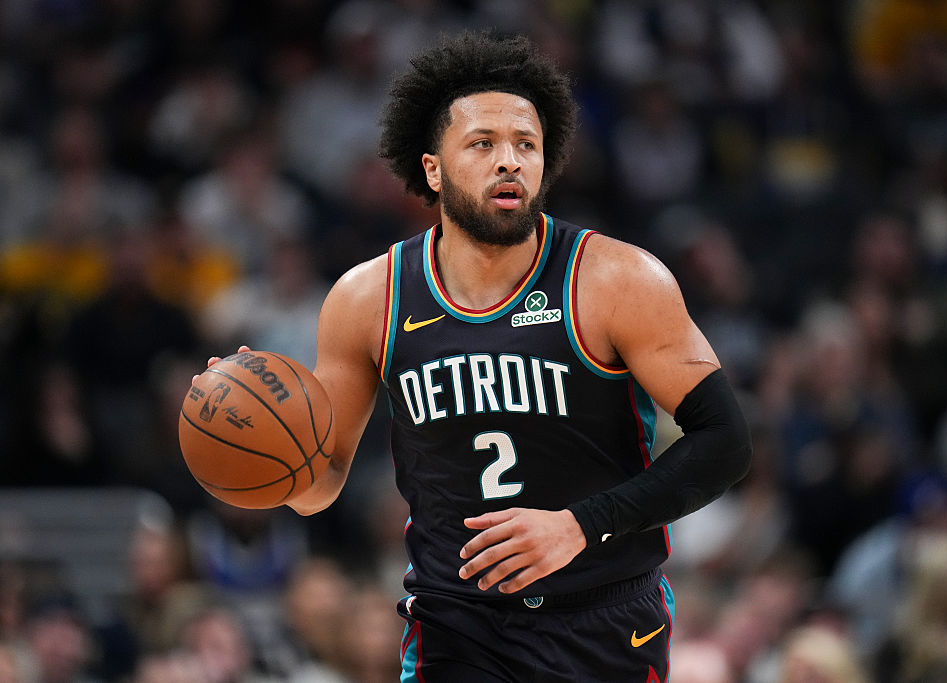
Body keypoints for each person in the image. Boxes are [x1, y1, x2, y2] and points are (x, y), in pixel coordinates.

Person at [200, 31, 751, 682]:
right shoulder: (367, 298)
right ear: (433, 169)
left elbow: (725, 442)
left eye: (526, 144)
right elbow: (319, 488)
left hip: (603, 617)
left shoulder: (617, 280)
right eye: (483, 143)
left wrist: (580, 525)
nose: (509, 161)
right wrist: (266, 438)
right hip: (456, 625)